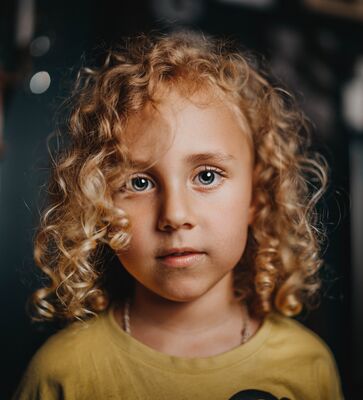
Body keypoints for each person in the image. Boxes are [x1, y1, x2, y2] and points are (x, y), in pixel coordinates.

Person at [13, 29, 344, 400]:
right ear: (99, 205)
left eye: (206, 176)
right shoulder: (63, 373)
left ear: (258, 196)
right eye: (138, 183)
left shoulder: (306, 366)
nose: (174, 215)